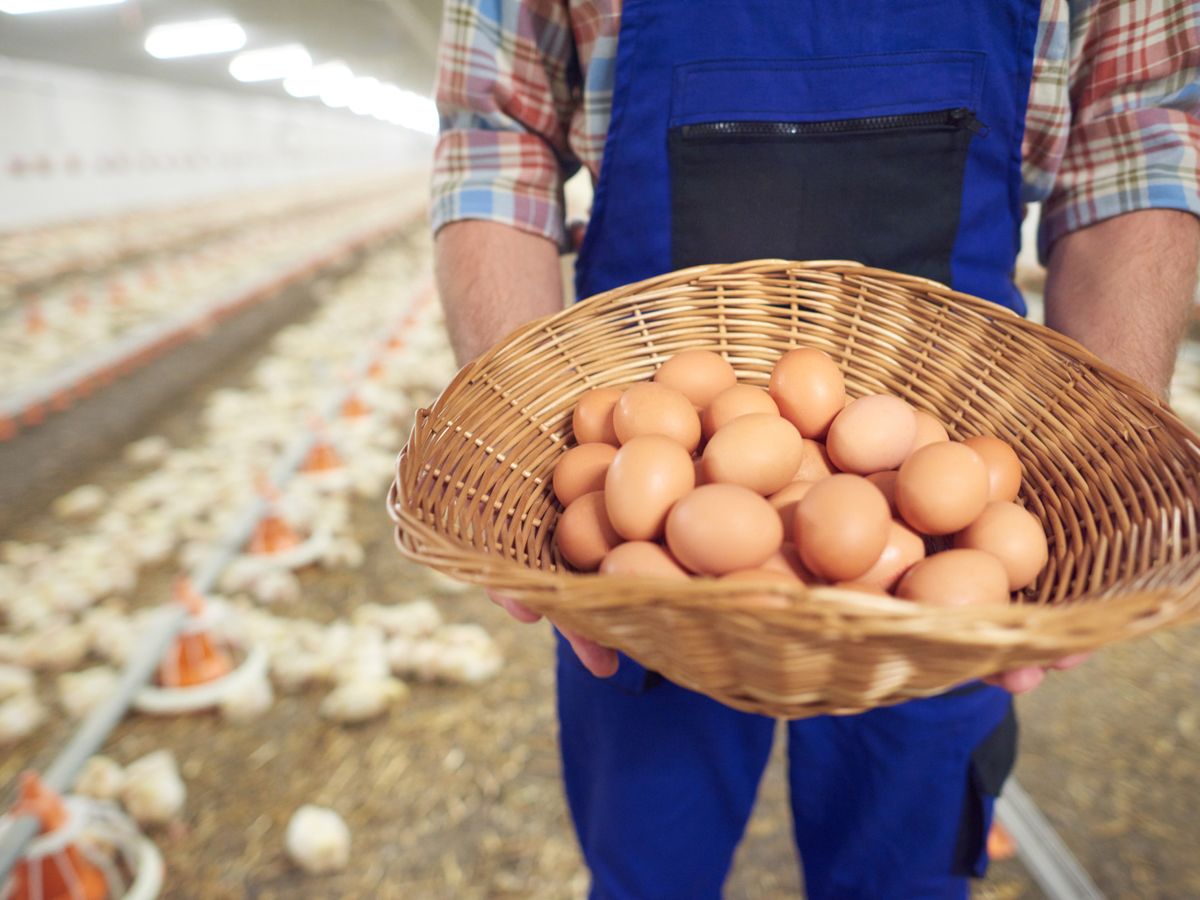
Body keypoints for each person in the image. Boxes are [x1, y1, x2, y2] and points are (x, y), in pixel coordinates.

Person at [430, 1, 1200, 896]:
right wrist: (524, 437)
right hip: (647, 505)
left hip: (940, 492)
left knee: (901, 869)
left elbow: (1136, 141)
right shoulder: (662, 486)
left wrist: (1100, 468)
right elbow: (496, 139)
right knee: (648, 860)